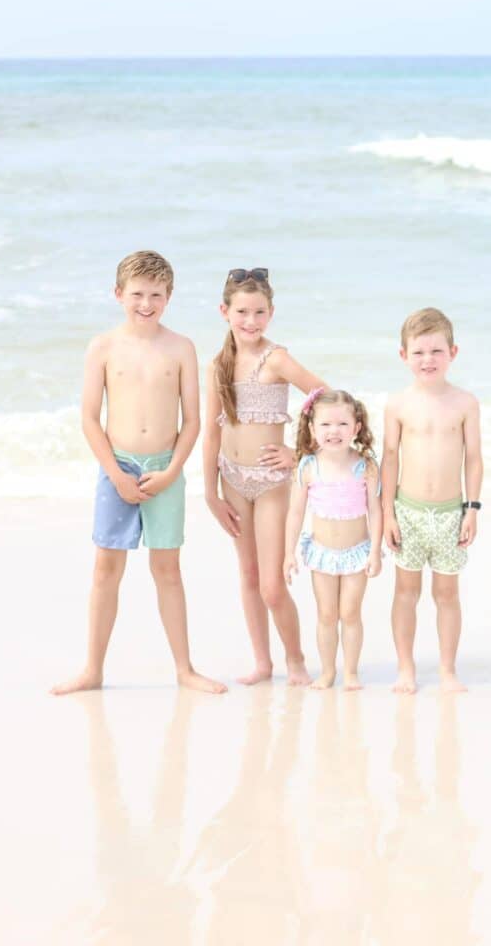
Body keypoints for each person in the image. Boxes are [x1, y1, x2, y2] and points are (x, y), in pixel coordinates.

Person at [52, 250, 226, 695]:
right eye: (137, 294)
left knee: (167, 569)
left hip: (164, 470)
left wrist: (171, 472)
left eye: (156, 295)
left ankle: (185, 669)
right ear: (118, 294)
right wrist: (115, 473)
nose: (146, 303)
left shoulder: (181, 347)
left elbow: (192, 422)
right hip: (118, 468)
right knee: (106, 568)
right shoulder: (103, 347)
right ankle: (92, 669)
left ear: (169, 297)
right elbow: (91, 418)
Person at [203, 268, 325, 685]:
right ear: (225, 311)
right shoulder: (218, 365)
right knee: (249, 576)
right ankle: (263, 662)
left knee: (272, 586)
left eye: (259, 312)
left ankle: (296, 659)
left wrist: (299, 451)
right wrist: (209, 492)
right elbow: (211, 430)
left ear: (271, 313)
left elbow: (325, 399)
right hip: (231, 481)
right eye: (242, 312)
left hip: (271, 483)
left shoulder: (276, 359)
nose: (250, 321)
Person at [381, 307, 483, 694]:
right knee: (406, 592)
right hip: (407, 512)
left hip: (449, 514)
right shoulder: (398, 404)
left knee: (447, 594)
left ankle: (446, 669)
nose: (428, 360)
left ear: (453, 353)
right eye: (419, 352)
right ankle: (405, 668)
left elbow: (473, 459)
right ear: (403, 355)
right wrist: (387, 512)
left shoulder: (465, 403)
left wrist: (471, 508)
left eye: (437, 351)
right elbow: (390, 458)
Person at [284, 389, 382, 690]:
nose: (334, 431)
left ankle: (351, 672)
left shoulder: (365, 466)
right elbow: (295, 513)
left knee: (350, 613)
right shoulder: (308, 466)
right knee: (326, 615)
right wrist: (289, 554)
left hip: (357, 553)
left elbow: (375, 511)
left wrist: (375, 551)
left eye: (342, 424)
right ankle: (327, 671)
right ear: (312, 428)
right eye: (325, 425)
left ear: (356, 428)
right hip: (322, 553)